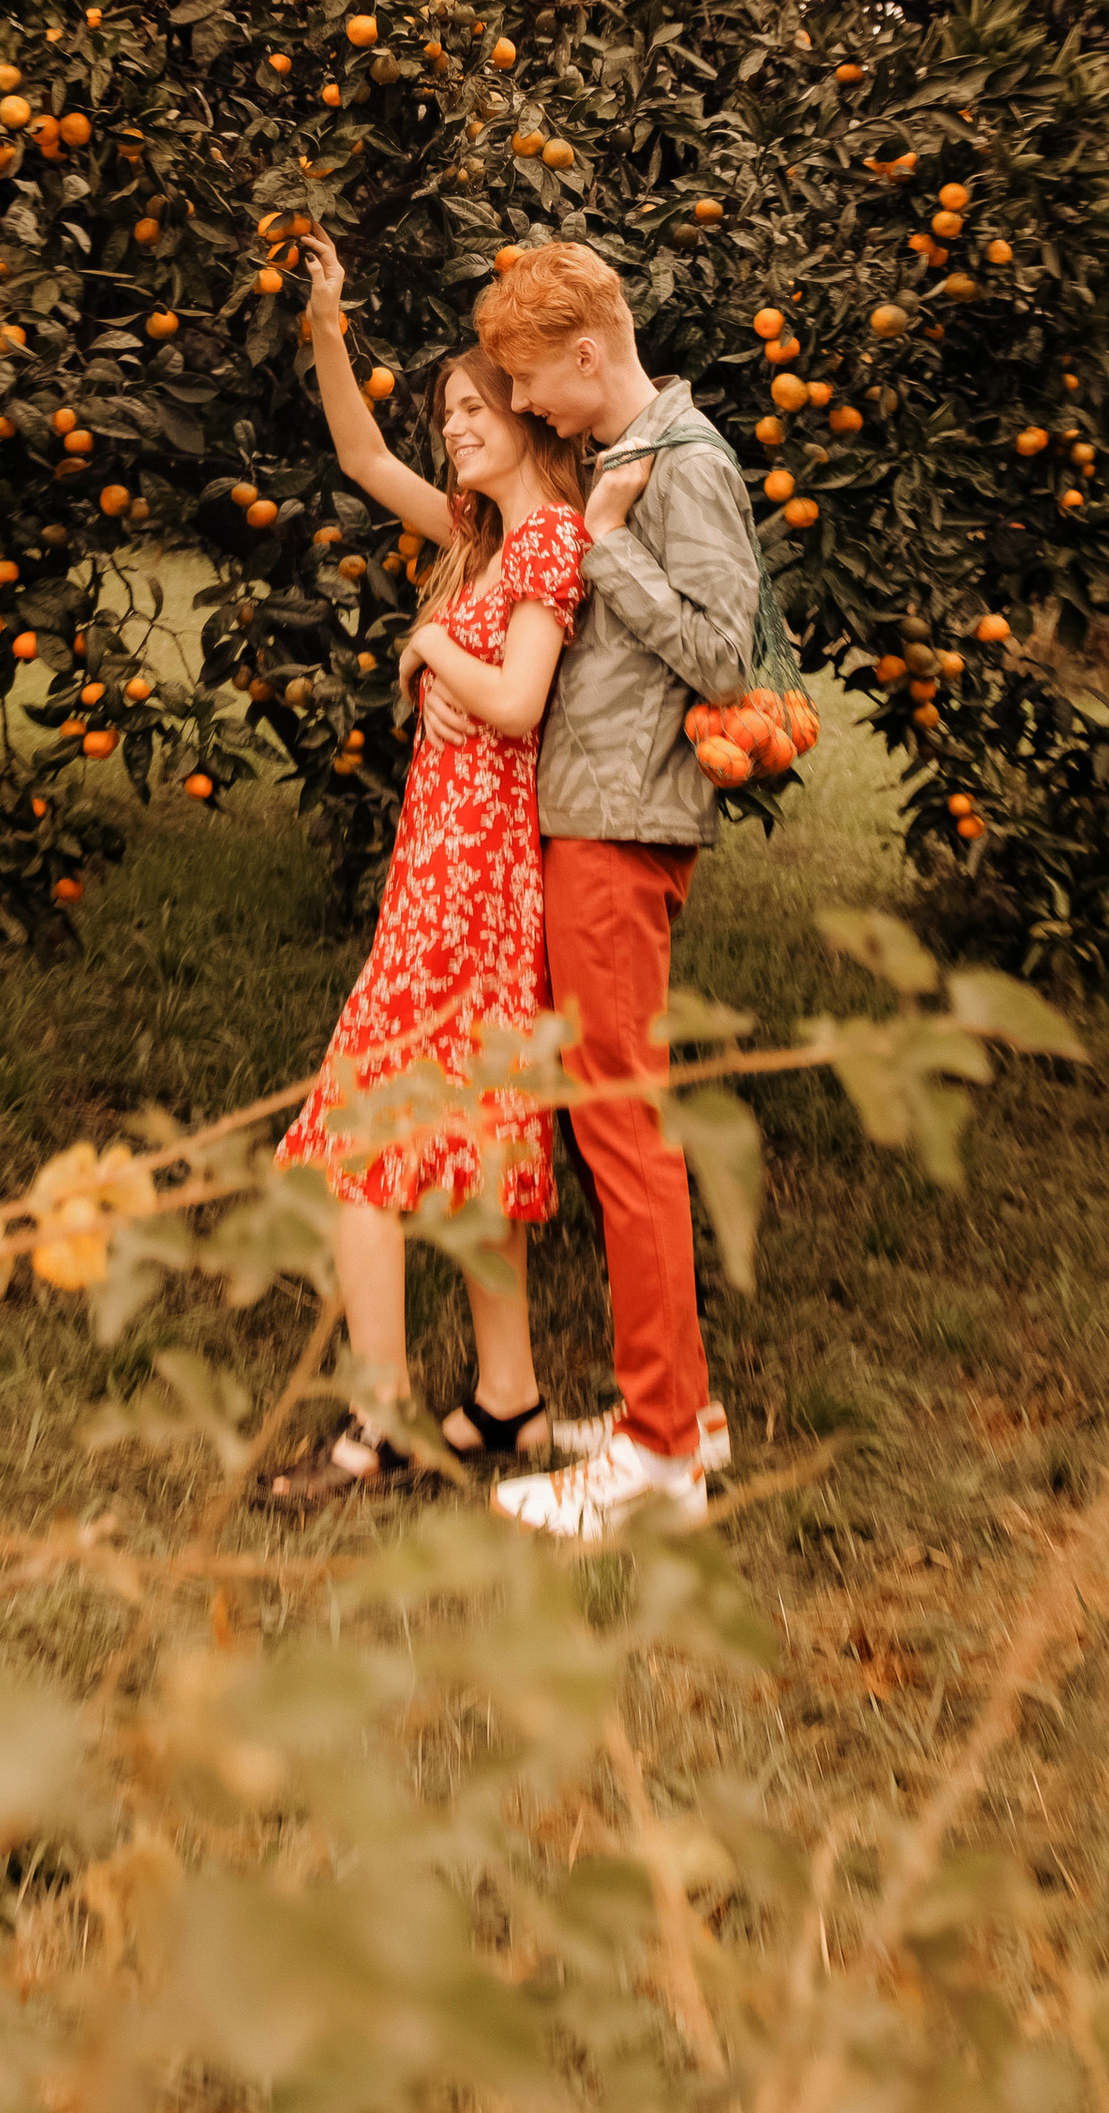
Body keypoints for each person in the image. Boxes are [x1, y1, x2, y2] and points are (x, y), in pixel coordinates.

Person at [416, 234, 758, 1539]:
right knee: (619, 1127)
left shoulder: (685, 465)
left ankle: (664, 1456)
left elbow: (726, 654)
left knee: (625, 1135)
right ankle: (684, 1411)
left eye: (531, 384)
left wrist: (600, 545)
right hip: (590, 820)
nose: (528, 410)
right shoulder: (629, 466)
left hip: (622, 831)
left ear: (586, 352)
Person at [270, 239, 617, 1491]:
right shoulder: (479, 534)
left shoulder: (540, 546)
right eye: (449, 414)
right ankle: (508, 1405)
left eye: (476, 407)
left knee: (358, 1139)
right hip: (449, 869)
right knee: (467, 1142)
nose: (457, 428)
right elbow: (364, 458)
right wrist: (327, 325)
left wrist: (425, 646)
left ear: (528, 414)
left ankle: (379, 1427)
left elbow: (518, 701)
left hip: (471, 883)